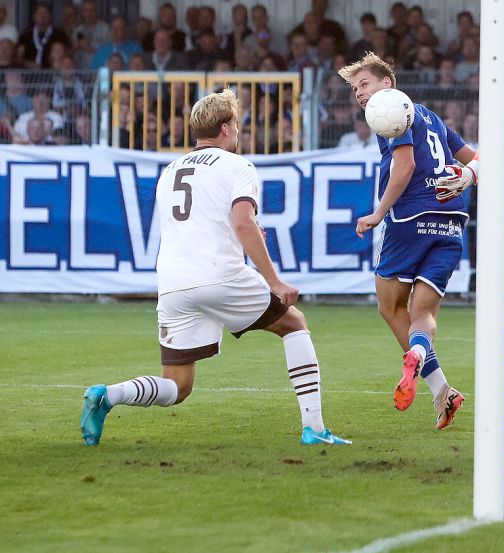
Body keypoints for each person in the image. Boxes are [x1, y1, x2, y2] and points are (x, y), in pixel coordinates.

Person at [80, 89, 349, 447]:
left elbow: (201, 224)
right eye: (237, 125)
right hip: (219, 277)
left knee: (178, 386)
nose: (238, 132)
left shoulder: (170, 171)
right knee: (294, 323)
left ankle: (107, 395)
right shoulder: (238, 166)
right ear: (225, 128)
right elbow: (241, 223)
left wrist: (244, 229)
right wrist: (274, 281)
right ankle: (315, 428)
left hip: (173, 285)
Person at [338, 53, 476, 429]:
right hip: (451, 220)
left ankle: (426, 371)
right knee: (423, 314)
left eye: (364, 84)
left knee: (388, 305)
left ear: (388, 83)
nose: (360, 95)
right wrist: (468, 175)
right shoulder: (430, 115)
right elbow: (478, 158)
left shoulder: (391, 111)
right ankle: (439, 386)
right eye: (354, 90)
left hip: (410, 218)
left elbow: (406, 166)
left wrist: (379, 212)